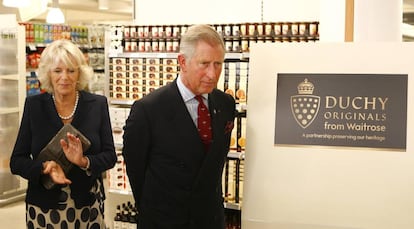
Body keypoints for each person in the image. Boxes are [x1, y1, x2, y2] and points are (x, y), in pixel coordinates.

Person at [122, 24, 236, 229]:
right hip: (166, 221)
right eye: (204, 64)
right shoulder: (148, 110)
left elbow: (213, 165)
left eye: (218, 64)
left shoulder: (225, 104)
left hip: (210, 220)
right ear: (182, 62)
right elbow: (136, 170)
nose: (212, 74)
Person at [10, 39, 117, 229]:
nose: (64, 77)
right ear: (48, 74)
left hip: (87, 205)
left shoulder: (97, 105)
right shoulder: (34, 106)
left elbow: (109, 156)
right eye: (57, 71)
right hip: (44, 208)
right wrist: (45, 167)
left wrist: (84, 161)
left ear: (80, 73)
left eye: (71, 70)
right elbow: (17, 161)